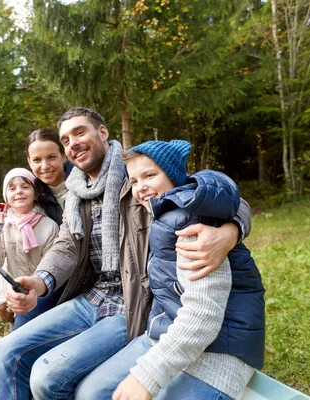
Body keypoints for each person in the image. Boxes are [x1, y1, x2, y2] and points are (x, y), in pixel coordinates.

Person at [0, 108, 252, 400]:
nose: (72, 143)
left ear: (102, 133)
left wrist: (230, 230)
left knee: (47, 378)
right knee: (6, 349)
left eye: (80, 132)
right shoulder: (77, 191)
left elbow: (220, 197)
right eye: (65, 140)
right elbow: (66, 244)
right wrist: (39, 281)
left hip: (132, 302)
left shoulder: (135, 173)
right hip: (92, 295)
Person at [75, 140, 265, 400]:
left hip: (218, 351)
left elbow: (202, 316)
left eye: (150, 175)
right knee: (91, 392)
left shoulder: (191, 223)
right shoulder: (160, 215)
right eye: (134, 181)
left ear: (174, 176)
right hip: (168, 330)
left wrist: (147, 377)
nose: (141, 188)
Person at [0, 168, 59, 328]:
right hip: (12, 290)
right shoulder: (0, 224)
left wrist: (34, 291)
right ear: (6, 197)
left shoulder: (49, 226)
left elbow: (52, 267)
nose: (19, 192)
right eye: (12, 188)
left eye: (25, 186)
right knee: (15, 327)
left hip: (42, 292)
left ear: (35, 194)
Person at [25, 128, 73, 226]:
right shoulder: (32, 196)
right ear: (29, 162)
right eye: (37, 160)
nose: (45, 166)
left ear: (64, 156)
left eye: (51, 157)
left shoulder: (86, 182)